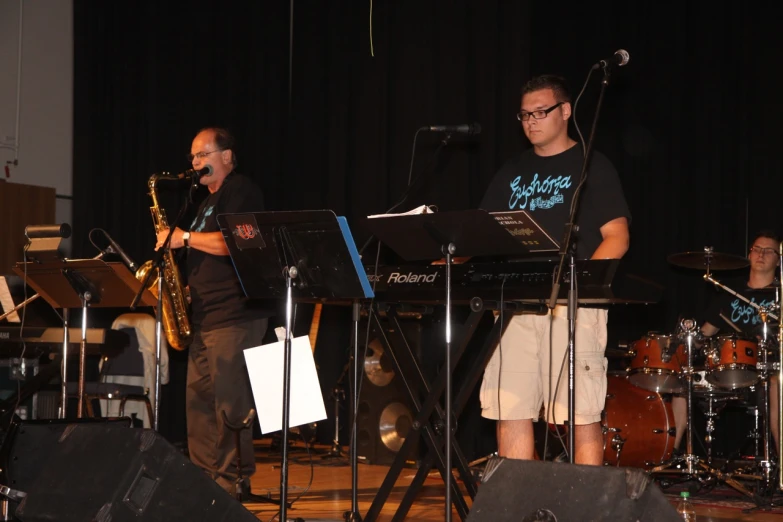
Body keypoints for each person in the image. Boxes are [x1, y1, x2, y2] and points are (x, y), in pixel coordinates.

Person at [478, 74, 631, 465]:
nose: (531, 121)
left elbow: (616, 236)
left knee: (578, 413)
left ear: (565, 111)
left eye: (540, 112)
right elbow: (481, 233)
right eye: (524, 115)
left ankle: (583, 506)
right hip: (515, 304)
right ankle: (521, 506)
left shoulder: (592, 165)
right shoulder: (511, 170)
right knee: (509, 406)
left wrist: (576, 287)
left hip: (573, 304)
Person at [155, 127, 271, 496]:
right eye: (192, 157)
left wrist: (184, 238)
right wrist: (186, 289)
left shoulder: (241, 191)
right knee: (199, 404)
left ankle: (233, 481)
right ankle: (205, 481)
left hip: (236, 314)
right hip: (205, 317)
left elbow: (236, 244)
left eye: (202, 154)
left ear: (227, 156)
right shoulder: (204, 203)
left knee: (229, 405)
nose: (195, 163)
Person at [672, 230, 781, 454]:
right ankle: (673, 455)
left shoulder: (779, 296)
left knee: (776, 385)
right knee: (682, 380)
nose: (761, 254)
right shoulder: (730, 294)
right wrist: (687, 341)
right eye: (757, 249)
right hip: (727, 368)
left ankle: (781, 464)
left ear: (779, 260)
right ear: (749, 255)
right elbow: (704, 335)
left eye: (769, 251)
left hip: (767, 370)